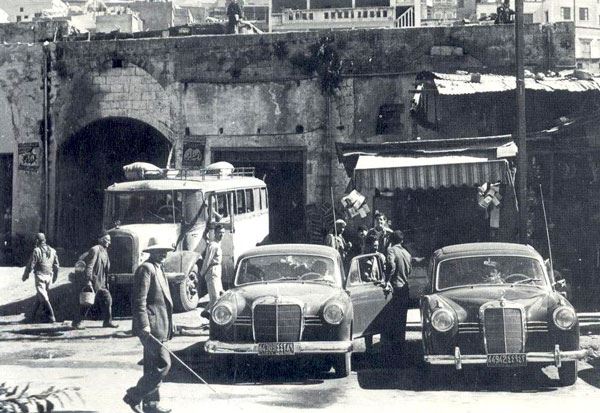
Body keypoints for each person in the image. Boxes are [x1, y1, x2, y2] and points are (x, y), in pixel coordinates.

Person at [123, 238, 174, 413]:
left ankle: (151, 405)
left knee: (152, 366)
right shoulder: (146, 269)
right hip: (150, 327)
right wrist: (144, 324)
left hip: (161, 324)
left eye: (165, 251)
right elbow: (139, 300)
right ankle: (134, 396)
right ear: (151, 252)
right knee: (163, 363)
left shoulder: (160, 268)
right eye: (159, 251)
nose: (163, 254)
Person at [72, 232, 118, 329]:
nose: (109, 242)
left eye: (109, 240)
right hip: (94, 282)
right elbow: (89, 266)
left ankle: (107, 322)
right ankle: (76, 322)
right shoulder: (95, 249)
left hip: (102, 283)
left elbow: (105, 269)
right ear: (101, 240)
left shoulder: (104, 251)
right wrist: (88, 281)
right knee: (87, 302)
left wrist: (107, 282)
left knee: (108, 300)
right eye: (107, 240)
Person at [382, 230, 411, 361]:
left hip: (395, 289)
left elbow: (391, 265)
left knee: (391, 322)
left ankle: (391, 354)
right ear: (402, 241)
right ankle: (401, 351)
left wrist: (387, 280)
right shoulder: (407, 253)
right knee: (401, 321)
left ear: (391, 240)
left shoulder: (391, 251)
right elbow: (409, 271)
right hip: (405, 289)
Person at [22, 233, 59, 323]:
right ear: (45, 240)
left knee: (43, 296)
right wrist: (55, 276)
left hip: (40, 276)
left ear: (37, 241)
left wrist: (25, 275)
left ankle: (51, 315)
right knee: (40, 296)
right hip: (49, 277)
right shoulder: (53, 251)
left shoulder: (37, 251)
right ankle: (32, 316)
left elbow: (31, 264)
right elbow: (57, 265)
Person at [199, 224, 226, 319]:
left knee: (220, 296)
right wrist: (202, 274)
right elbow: (207, 260)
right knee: (214, 297)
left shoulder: (218, 244)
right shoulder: (213, 245)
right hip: (212, 271)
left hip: (217, 271)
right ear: (215, 233)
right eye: (219, 233)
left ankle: (206, 312)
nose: (221, 235)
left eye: (223, 233)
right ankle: (211, 316)